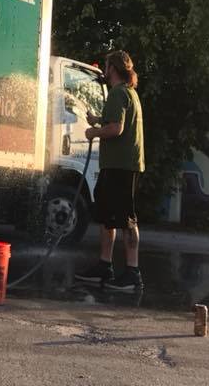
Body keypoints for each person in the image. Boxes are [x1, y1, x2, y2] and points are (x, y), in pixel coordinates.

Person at [75, 50, 145, 291]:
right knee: (108, 218)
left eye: (106, 65)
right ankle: (105, 266)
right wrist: (96, 119)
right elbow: (113, 122)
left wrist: (93, 132)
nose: (104, 70)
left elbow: (116, 128)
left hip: (121, 166)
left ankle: (132, 273)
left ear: (113, 68)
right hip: (119, 164)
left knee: (126, 219)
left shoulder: (117, 93)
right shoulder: (129, 93)